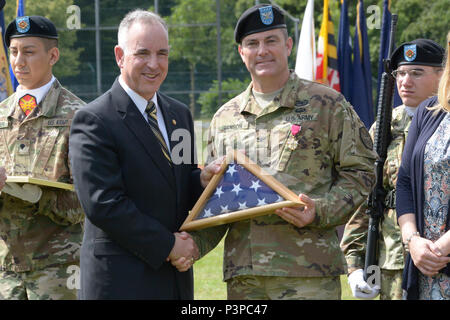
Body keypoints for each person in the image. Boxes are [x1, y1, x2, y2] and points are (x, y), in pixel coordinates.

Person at [180, 4, 377, 300]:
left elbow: (362, 172)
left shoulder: (327, 104)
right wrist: (191, 244)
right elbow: (220, 204)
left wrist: (320, 211)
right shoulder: (224, 118)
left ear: (288, 45)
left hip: (308, 274)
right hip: (244, 278)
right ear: (241, 52)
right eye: (253, 44)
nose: (262, 51)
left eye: (271, 41)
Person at [69, 9, 218, 300]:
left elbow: (179, 182)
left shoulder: (180, 114)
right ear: (119, 56)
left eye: (162, 54)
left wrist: (201, 179)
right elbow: (104, 204)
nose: (154, 64)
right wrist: (168, 246)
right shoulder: (94, 119)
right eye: (142, 53)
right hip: (120, 282)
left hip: (173, 282)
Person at [340, 39, 445, 299]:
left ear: (442, 75)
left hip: (439, 252)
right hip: (391, 258)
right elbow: (367, 195)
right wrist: (355, 265)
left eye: (417, 73)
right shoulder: (385, 126)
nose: (405, 81)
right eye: (401, 73)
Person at [0, 16, 84, 300]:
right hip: (6, 266)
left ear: (53, 55)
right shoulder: (0, 115)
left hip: (59, 267)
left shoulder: (79, 117)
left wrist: (39, 196)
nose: (18, 61)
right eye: (13, 51)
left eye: (29, 51)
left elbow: (89, 200)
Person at [396, 32, 450, 300]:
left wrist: (442, 248)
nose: (406, 82)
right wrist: (413, 241)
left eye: (416, 73)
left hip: (437, 257)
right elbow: (404, 180)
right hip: (423, 265)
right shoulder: (427, 111)